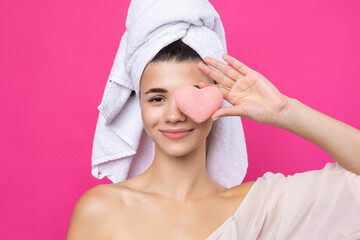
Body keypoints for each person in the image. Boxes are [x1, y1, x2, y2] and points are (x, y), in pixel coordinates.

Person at [66, 39, 360, 239]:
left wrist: (284, 111)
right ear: (139, 109)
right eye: (156, 98)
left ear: (218, 100)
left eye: (192, 93)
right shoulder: (101, 210)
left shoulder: (260, 208)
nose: (174, 115)